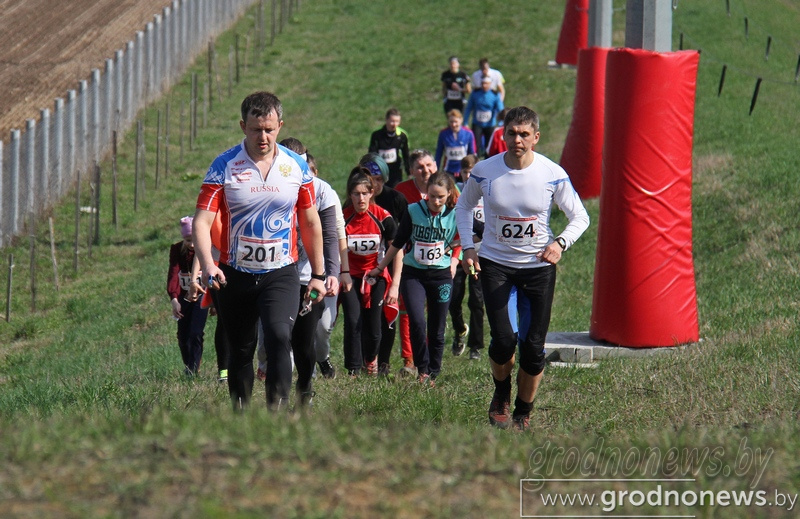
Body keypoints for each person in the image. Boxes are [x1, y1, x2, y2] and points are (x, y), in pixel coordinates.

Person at [455, 106, 590, 431]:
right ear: (503, 134)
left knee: (532, 348)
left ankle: (523, 411)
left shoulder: (551, 173)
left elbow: (580, 216)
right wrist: (468, 247)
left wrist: (560, 243)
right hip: (496, 266)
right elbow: (463, 206)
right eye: (512, 133)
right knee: (503, 340)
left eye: (525, 134)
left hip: (537, 269)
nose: (518, 140)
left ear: (536, 137)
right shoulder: (485, 171)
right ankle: (501, 392)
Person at [192, 91, 326, 411]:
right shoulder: (224, 165)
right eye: (255, 130)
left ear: (280, 126)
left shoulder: (296, 166)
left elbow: (310, 222)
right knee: (241, 348)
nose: (262, 137)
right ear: (243, 126)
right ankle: (241, 415)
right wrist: (208, 264)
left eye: (269, 129)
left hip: (281, 271)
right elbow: (201, 221)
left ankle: (275, 413)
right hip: (234, 273)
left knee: (280, 336)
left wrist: (319, 274)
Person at [368, 172, 461, 387]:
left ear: (449, 194)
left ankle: (434, 372)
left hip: (441, 276)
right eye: (431, 196)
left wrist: (456, 254)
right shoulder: (413, 210)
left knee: (437, 328)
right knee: (417, 322)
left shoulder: (456, 214)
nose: (435, 201)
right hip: (414, 274)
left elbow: (476, 233)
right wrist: (380, 267)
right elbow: (398, 242)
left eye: (440, 197)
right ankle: (423, 370)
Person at [341, 168, 399, 376]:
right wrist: (342, 272)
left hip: (376, 275)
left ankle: (371, 359)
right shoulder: (343, 217)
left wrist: (395, 284)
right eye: (356, 194)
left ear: (372, 193)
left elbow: (397, 249)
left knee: (374, 328)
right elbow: (336, 246)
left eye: (365, 193)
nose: (361, 199)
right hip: (350, 275)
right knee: (353, 321)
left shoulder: (383, 217)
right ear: (350, 195)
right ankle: (353, 369)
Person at [358, 153, 408, 376]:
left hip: (391, 264)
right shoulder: (355, 200)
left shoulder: (396, 199)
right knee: (364, 316)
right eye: (370, 179)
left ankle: (384, 362)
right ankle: (365, 360)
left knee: (388, 313)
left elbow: (408, 232)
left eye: (378, 179)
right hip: (364, 266)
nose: (374, 185)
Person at [392, 149, 439, 374]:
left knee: (434, 311)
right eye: (420, 167)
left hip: (439, 261)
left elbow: (459, 220)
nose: (425, 170)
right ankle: (409, 359)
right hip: (410, 259)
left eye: (429, 165)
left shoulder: (447, 187)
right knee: (409, 310)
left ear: (436, 166)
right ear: (411, 170)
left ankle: (429, 358)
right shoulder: (401, 192)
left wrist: (455, 258)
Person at [449, 155, 485, 360]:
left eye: (473, 172)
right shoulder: (456, 193)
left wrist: (469, 239)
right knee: (454, 299)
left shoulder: (487, 192)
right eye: (465, 172)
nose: (469, 176)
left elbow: (488, 228)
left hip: (479, 254)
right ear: (460, 173)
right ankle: (459, 330)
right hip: (458, 255)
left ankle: (476, 346)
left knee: (476, 300)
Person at [167, 216, 209, 376]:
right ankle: (188, 364)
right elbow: (173, 274)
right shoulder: (177, 250)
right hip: (184, 296)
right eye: (188, 240)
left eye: (194, 240)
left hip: (201, 295)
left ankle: (193, 368)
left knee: (195, 332)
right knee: (183, 335)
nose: (191, 244)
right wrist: (174, 299)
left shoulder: (205, 249)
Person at [464, 75, 504, 157]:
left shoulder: (495, 95)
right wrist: (465, 122)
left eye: (486, 83)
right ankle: (476, 161)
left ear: (490, 84)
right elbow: (468, 108)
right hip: (477, 124)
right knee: (476, 145)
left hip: (490, 124)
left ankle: (488, 161)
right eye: (483, 83)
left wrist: (501, 122)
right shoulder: (475, 94)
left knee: (489, 145)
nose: (484, 85)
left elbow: (500, 109)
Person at [368, 108, 410, 188]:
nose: (394, 124)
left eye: (397, 121)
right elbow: (371, 154)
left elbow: (406, 154)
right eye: (392, 121)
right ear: (386, 120)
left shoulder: (402, 136)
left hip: (395, 172)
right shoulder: (377, 135)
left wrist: (409, 172)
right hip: (380, 172)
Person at [434, 109, 477, 180]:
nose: (453, 125)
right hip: (448, 170)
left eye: (456, 122)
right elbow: (439, 153)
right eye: (451, 122)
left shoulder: (468, 133)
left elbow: (472, 153)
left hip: (464, 170)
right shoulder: (443, 134)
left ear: (461, 120)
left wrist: (474, 170)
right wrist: (436, 171)